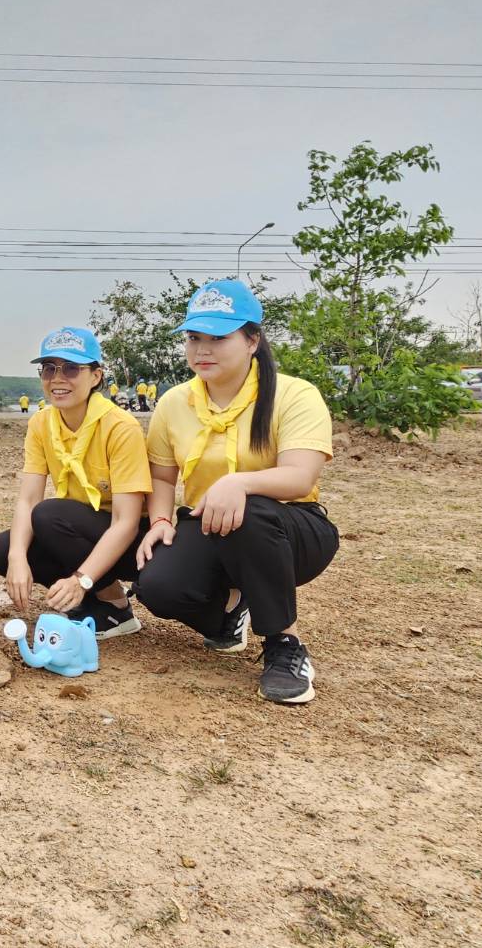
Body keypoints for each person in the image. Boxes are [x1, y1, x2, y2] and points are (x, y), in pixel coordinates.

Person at [134, 280, 337, 705]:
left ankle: (284, 644)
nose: (202, 349)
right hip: (210, 525)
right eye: (193, 338)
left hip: (290, 529)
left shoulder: (294, 394)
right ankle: (229, 614)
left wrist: (238, 482)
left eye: (218, 337)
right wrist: (161, 521)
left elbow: (300, 477)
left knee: (252, 511)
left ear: (252, 340)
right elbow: (164, 477)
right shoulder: (175, 403)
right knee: (157, 586)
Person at [0, 327, 150, 638]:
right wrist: (17, 558)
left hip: (132, 539)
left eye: (71, 369)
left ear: (96, 376)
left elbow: (126, 522)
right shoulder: (41, 423)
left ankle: (111, 600)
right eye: (49, 369)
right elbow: (27, 499)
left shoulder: (120, 427)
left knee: (50, 516)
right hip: (81, 527)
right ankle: (100, 607)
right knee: (2, 548)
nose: (57, 379)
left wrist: (82, 579)